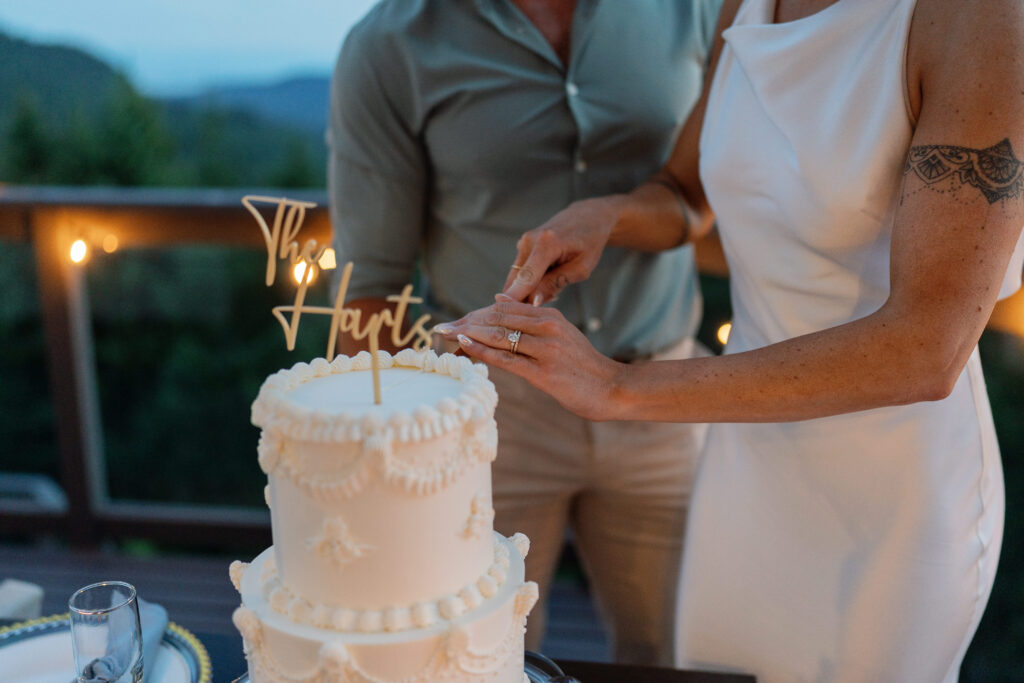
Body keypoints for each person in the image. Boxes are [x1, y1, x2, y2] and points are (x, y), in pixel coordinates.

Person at [438, 0, 1024, 680]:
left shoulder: (979, 19)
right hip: (747, 461)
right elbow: (687, 193)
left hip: (891, 494)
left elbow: (928, 345)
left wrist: (616, 385)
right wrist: (608, 216)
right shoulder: (742, 6)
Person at [327, 0, 723, 665]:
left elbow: (696, 198)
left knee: (674, 650)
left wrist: (616, 216)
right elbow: (373, 285)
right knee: (476, 655)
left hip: (663, 396)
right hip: (489, 413)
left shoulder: (698, 9)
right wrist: (375, 474)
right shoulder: (388, 44)